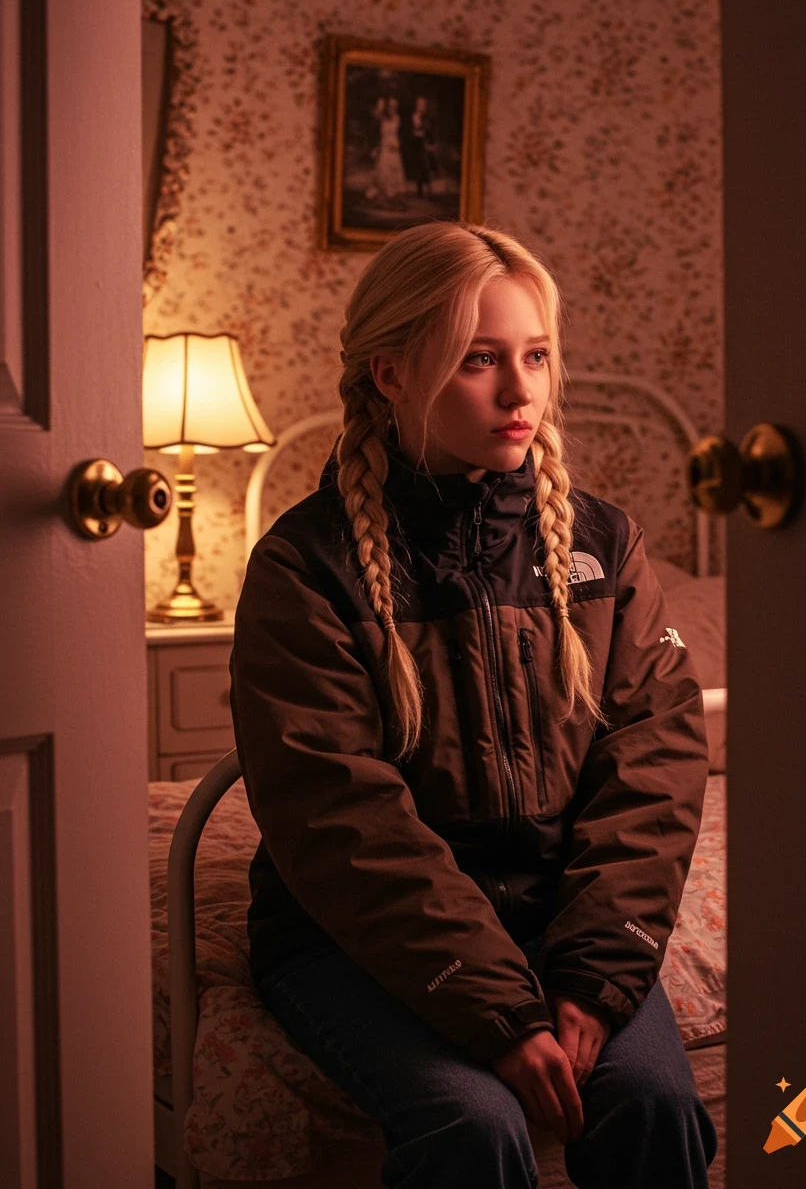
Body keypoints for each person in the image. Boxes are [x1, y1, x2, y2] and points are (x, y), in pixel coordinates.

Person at [230, 220, 718, 1188]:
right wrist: (498, 1011)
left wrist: (591, 979)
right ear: (390, 373)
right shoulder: (305, 565)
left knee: (657, 1104)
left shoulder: (601, 545)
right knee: (473, 1123)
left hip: (561, 917)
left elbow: (652, 765)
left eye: (535, 355)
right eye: (478, 359)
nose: (521, 389)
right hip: (353, 937)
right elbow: (338, 815)